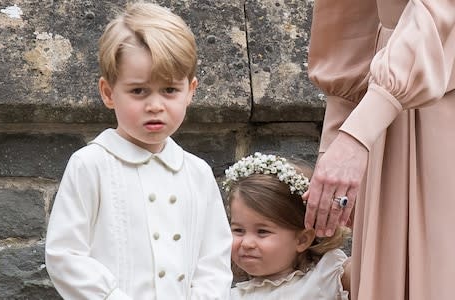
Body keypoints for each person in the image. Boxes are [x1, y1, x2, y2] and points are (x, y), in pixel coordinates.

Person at [45, 2, 232, 299]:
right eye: (138, 91)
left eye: (170, 90)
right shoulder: (90, 164)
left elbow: (214, 263)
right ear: (108, 93)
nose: (155, 105)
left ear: (191, 91)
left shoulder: (198, 173)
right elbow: (65, 255)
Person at [305, 1, 455, 299]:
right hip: (388, 119)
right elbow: (351, 15)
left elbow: (440, 12)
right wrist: (339, 134)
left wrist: (357, 133)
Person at [223, 152, 351, 299]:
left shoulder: (326, 277)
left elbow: (376, 269)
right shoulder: (225, 295)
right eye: (238, 230)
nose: (246, 243)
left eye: (262, 231)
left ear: (302, 239)